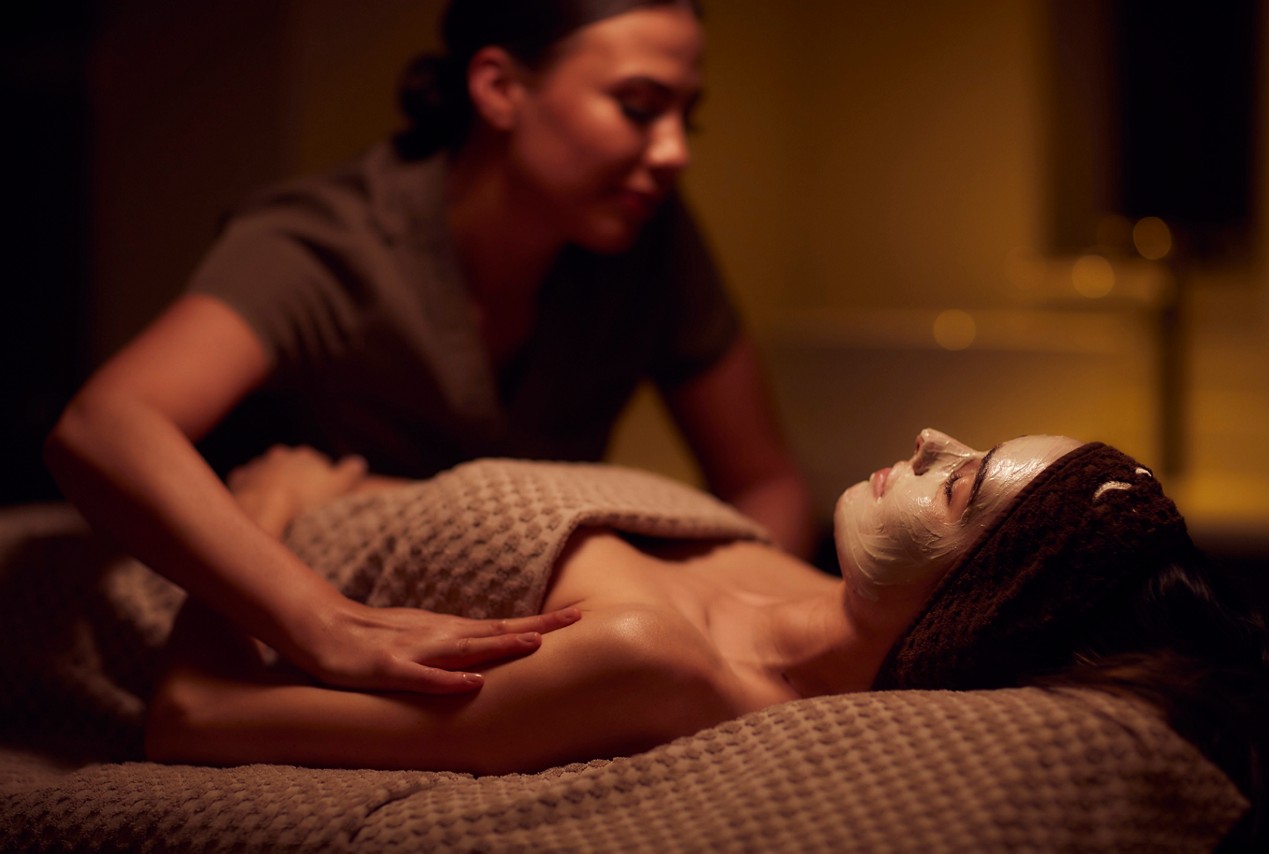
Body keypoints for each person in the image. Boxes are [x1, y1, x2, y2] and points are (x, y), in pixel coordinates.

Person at [43, 0, 814, 698]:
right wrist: (324, 624)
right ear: (499, 89)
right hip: (274, 606)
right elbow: (104, 424)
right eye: (639, 107)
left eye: (689, 117)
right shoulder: (326, 247)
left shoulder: (649, 242)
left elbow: (765, 480)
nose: (675, 151)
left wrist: (741, 623)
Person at [144, 428, 1269, 844]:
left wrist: (265, 512)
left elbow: (190, 718)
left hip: (170, 580)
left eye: (961, 485)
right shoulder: (786, 575)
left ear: (973, 601)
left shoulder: (654, 663)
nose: (930, 439)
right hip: (212, 519)